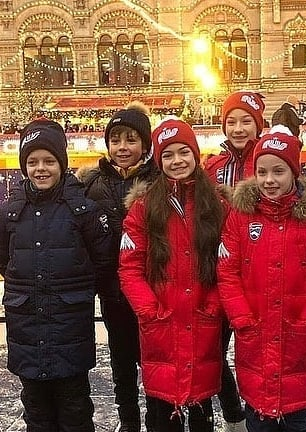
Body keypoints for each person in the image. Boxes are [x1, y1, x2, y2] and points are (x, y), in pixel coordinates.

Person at [216, 126, 306, 432]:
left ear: (293, 173)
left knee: (298, 419)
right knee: (258, 417)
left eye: (278, 171)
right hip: (254, 335)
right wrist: (241, 317)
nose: (269, 180)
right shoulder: (241, 215)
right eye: (262, 172)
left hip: (297, 337)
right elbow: (227, 271)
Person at [0, 118, 114, 431]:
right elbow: (5, 260)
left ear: (62, 164)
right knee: (36, 413)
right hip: (27, 331)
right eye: (33, 162)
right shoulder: (10, 213)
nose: (41, 168)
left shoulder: (83, 211)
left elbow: (103, 262)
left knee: (75, 411)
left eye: (49, 161)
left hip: (70, 332)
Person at [118, 117, 224, 432]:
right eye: (168, 155)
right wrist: (149, 310)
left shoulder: (217, 205)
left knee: (202, 409)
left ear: (195, 154)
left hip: (203, 321)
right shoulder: (144, 208)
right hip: (160, 324)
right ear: (159, 160)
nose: (177, 161)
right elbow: (129, 266)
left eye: (183, 152)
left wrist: (214, 304)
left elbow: (229, 264)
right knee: (162, 412)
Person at [78, 101, 159, 432]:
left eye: (131, 139)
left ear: (145, 144)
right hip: (112, 292)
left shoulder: (158, 180)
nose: (122, 147)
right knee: (121, 362)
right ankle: (128, 421)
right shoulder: (92, 183)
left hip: (153, 290)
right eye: (115, 140)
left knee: (154, 362)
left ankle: (157, 419)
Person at [204, 90, 266, 432]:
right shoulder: (213, 166)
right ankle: (234, 416)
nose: (238, 128)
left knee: (256, 353)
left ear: (258, 125)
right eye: (231, 121)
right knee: (211, 351)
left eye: (246, 121)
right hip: (218, 274)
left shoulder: (268, 160)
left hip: (256, 275)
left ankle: (261, 415)